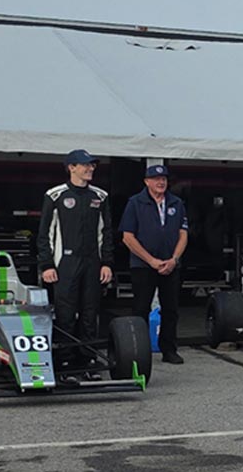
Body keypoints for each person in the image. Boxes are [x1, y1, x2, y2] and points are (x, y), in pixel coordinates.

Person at [38, 149, 114, 382]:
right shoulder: (55, 195)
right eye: (85, 165)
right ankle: (65, 362)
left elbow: (106, 233)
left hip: (92, 262)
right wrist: (47, 265)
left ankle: (88, 361)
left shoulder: (100, 196)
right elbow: (44, 234)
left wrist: (106, 263)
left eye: (92, 165)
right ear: (71, 167)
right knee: (65, 314)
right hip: (65, 263)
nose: (90, 169)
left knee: (90, 313)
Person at [120, 164, 189, 365]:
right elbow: (127, 237)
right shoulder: (135, 203)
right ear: (146, 182)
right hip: (143, 266)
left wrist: (174, 259)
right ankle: (139, 351)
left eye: (164, 179)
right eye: (156, 179)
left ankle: (169, 349)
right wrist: (150, 260)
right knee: (141, 308)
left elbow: (183, 234)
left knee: (171, 309)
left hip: (170, 265)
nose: (161, 182)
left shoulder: (177, 203)